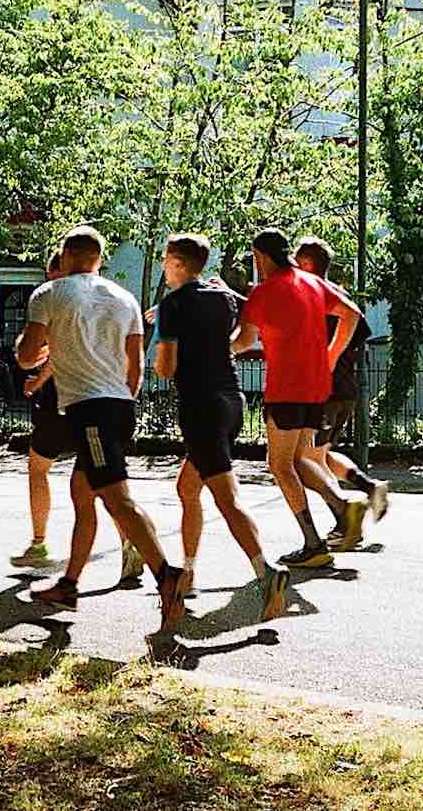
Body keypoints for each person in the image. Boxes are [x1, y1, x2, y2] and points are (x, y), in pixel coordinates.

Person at [16, 226, 186, 630]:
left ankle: (167, 575)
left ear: (65, 254)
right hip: (117, 407)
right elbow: (136, 366)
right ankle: (69, 584)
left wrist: (40, 348)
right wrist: (121, 400)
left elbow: (25, 357)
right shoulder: (124, 298)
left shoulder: (49, 294)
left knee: (117, 499)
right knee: (82, 493)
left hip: (89, 411)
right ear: (99, 257)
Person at [153, 234, 290, 621]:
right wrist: (213, 349)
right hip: (231, 401)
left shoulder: (171, 305)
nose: (164, 266)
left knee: (227, 500)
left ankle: (268, 572)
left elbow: (165, 368)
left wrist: (166, 337)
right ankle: (190, 572)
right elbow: (248, 338)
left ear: (178, 263)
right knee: (187, 488)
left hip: (201, 407)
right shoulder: (223, 297)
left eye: (165, 259)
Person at [231, 229, 368, 568]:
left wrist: (212, 350)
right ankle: (341, 507)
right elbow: (351, 314)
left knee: (279, 465)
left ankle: (314, 542)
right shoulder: (312, 283)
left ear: (260, 256)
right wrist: (331, 355)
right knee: (299, 459)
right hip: (316, 386)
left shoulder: (262, 293)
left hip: (286, 388)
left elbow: (244, 341)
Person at [12, 251, 144, 583]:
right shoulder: (105, 298)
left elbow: (50, 354)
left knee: (42, 468)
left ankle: (42, 544)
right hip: (105, 403)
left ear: (62, 268)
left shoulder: (55, 298)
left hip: (68, 401)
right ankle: (128, 546)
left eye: (49, 270)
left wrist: (37, 378)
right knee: (104, 483)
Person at [292, 237, 390, 548]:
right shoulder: (341, 297)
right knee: (318, 456)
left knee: (304, 461)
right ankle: (369, 488)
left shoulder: (314, 299)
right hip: (345, 389)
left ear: (307, 265)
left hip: (325, 390)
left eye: (296, 263)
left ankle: (347, 519)